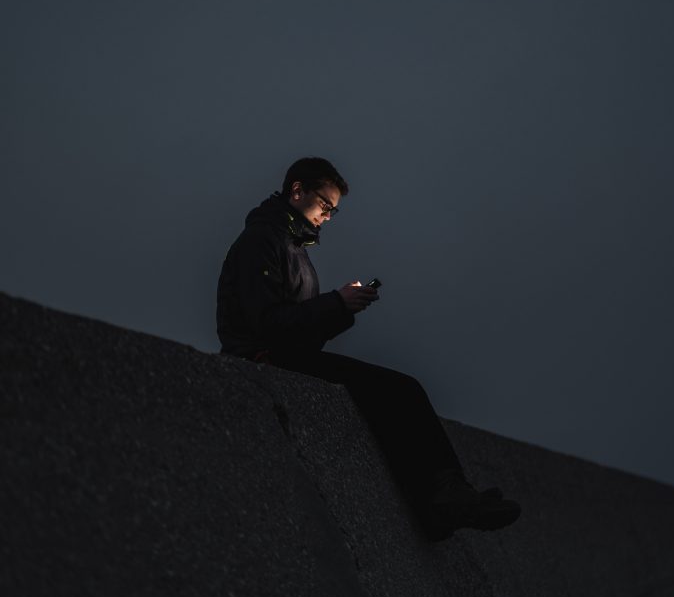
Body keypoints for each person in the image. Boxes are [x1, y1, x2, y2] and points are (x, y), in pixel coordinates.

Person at [216, 157, 521, 542]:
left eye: (334, 211)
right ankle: (443, 498)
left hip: (285, 357)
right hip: (261, 360)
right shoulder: (261, 241)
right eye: (325, 206)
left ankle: (443, 497)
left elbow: (303, 337)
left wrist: (343, 309)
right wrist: (336, 304)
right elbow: (267, 325)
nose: (328, 216)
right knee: (398, 390)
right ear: (297, 191)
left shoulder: (295, 251)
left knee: (394, 393)